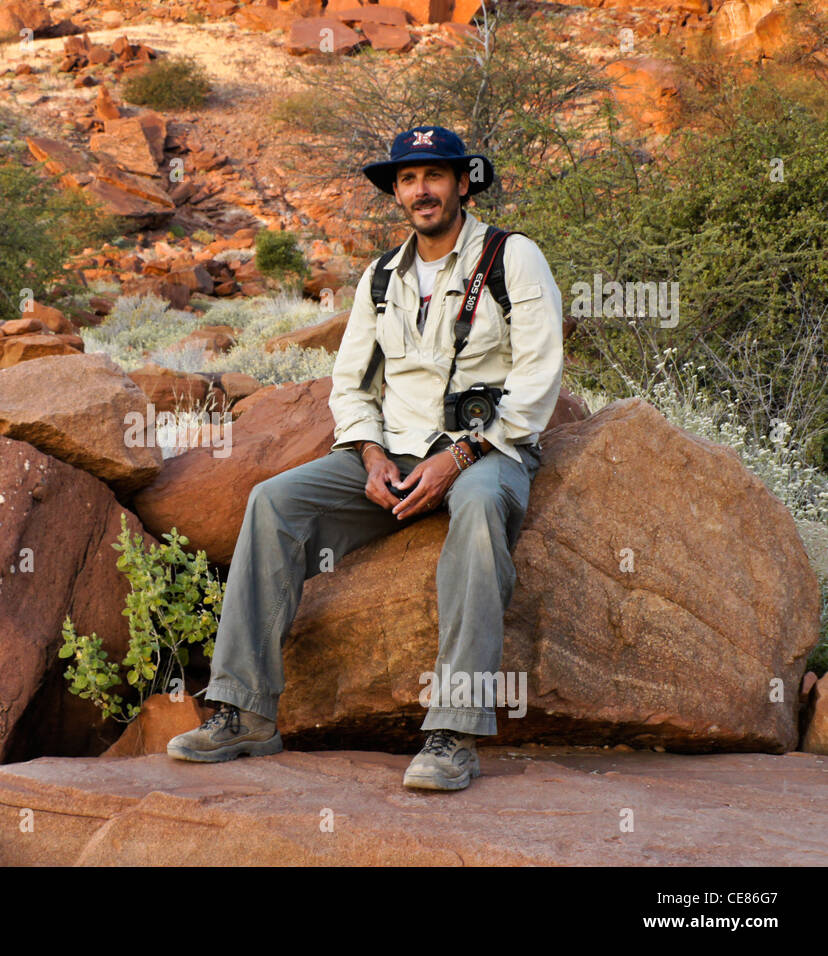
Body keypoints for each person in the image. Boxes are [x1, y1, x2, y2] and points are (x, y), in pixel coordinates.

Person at [166, 125, 565, 791]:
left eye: (434, 175)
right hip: (395, 455)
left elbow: (538, 375)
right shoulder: (381, 276)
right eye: (408, 179)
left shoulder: (512, 257)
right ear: (397, 193)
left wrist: (459, 457)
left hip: (486, 450)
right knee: (273, 502)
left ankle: (453, 731)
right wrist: (373, 455)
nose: (421, 189)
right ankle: (245, 712)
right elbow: (349, 386)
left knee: (477, 510)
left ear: (463, 182)